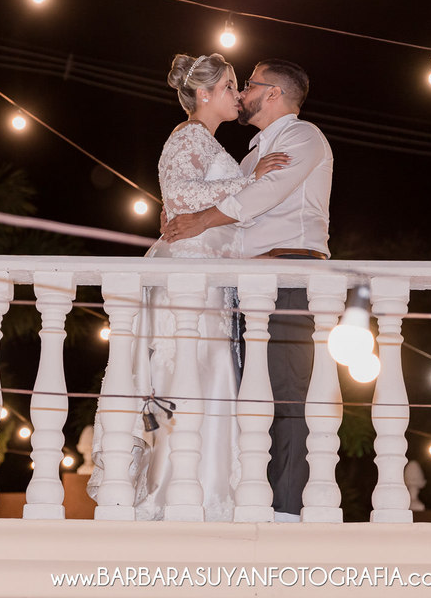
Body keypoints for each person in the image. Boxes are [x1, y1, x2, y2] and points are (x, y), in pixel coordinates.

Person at [89, 53, 288, 521]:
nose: (237, 94)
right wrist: (249, 180)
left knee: (209, 375)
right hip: (189, 276)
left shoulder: (207, 141)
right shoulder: (188, 135)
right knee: (185, 373)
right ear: (204, 94)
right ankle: (167, 492)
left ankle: (207, 489)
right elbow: (179, 195)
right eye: (230, 86)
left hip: (211, 277)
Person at [162, 59, 333, 522]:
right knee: (253, 391)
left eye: (249, 85)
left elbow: (262, 195)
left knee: (289, 387)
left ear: (273, 93)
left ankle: (287, 509)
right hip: (247, 284)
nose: (241, 94)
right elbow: (228, 203)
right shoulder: (251, 155)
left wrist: (200, 220)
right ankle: (253, 496)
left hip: (290, 272)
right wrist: (182, 218)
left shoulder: (302, 137)